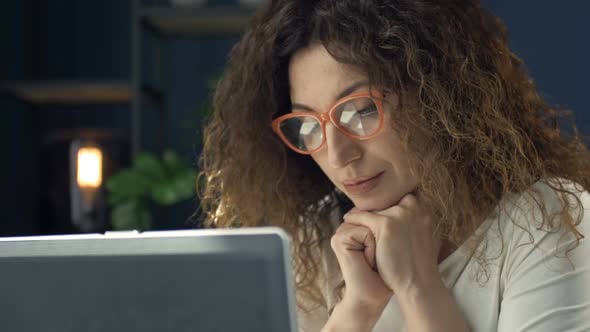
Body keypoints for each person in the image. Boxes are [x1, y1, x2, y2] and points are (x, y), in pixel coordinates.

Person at [198, 0, 590, 331]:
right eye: (307, 125)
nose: (338, 155)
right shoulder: (318, 236)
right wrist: (358, 308)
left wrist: (419, 286)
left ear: (438, 95)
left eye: (361, 111)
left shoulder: (551, 220)